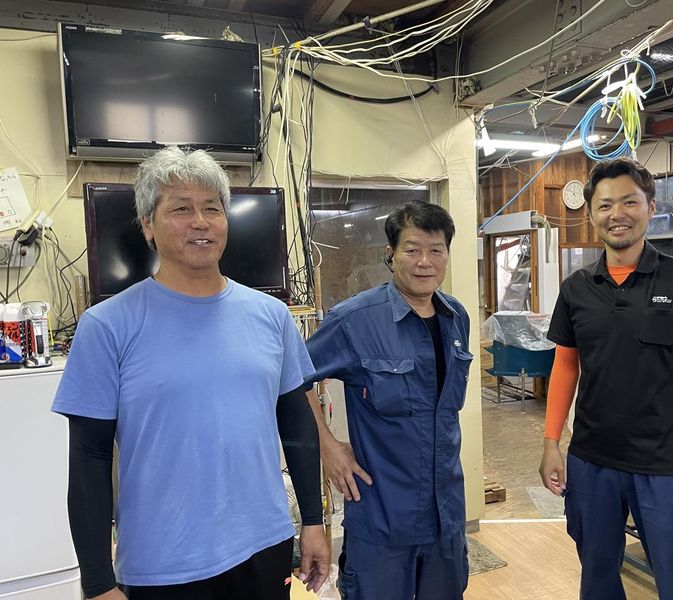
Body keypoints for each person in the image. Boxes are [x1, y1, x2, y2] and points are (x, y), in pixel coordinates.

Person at [52, 146, 329, 600]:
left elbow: (296, 424)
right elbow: (89, 457)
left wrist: (313, 522)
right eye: (181, 209)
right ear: (148, 225)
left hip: (265, 545)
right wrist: (98, 581)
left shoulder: (272, 316)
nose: (200, 222)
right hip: (163, 563)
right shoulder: (107, 325)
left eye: (212, 208)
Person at [538, 157, 673, 599]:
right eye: (605, 205)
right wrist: (551, 443)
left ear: (650, 207)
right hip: (591, 462)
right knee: (597, 576)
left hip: (665, 466)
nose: (617, 214)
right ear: (591, 214)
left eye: (629, 202)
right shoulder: (576, 288)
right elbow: (565, 367)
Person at [304, 201, 472, 600]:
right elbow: (292, 380)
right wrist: (327, 446)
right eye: (412, 250)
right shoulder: (354, 319)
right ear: (390, 254)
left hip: (445, 518)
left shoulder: (456, 318)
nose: (425, 262)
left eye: (436, 250)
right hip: (382, 519)